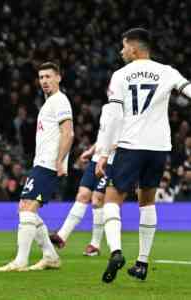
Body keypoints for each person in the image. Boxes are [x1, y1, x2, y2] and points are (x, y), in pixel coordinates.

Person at [95, 28, 191, 283]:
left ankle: (116, 252)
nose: (121, 51)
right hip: (159, 147)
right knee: (147, 202)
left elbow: (113, 115)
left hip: (130, 145)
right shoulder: (167, 71)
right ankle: (142, 263)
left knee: (112, 201)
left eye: (124, 46)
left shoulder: (120, 75)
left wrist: (103, 152)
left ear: (134, 49)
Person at [0, 62, 73, 272]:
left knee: (28, 208)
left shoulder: (60, 101)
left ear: (59, 78)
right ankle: (50, 256)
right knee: (25, 207)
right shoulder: (49, 103)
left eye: (48, 76)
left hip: (49, 164)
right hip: (42, 162)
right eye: (41, 77)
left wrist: (59, 161)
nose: (44, 81)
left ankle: (21, 260)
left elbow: (68, 133)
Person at [50, 104, 118, 257]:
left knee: (97, 199)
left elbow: (128, 138)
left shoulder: (128, 112)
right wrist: (91, 150)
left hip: (111, 161)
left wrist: (112, 149)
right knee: (82, 195)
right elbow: (103, 135)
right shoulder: (106, 109)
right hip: (95, 159)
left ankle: (95, 244)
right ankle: (62, 236)